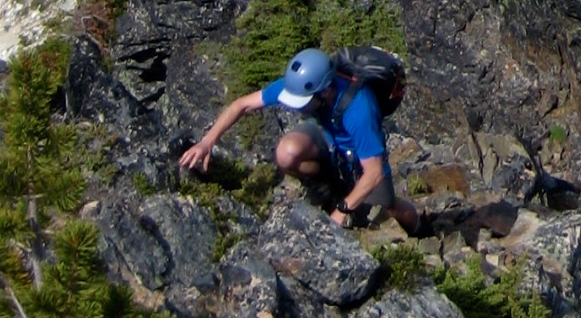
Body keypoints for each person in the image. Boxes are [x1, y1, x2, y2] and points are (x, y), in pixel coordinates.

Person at [180, 48, 421, 230]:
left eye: (304, 103)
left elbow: (374, 172)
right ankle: (328, 195)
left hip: (361, 159)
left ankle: (421, 226)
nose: (297, 108)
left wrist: (342, 211)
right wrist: (207, 141)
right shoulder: (301, 84)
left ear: (325, 90)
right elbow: (242, 105)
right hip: (329, 143)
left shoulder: (359, 109)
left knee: (385, 209)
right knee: (288, 152)